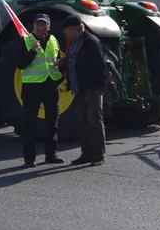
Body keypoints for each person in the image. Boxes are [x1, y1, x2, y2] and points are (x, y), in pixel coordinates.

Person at [15, 14, 65, 167]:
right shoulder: (25, 40)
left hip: (50, 86)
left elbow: (53, 60)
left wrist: (59, 64)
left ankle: (51, 154)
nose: (41, 27)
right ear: (33, 26)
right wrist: (32, 51)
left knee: (52, 123)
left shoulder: (53, 40)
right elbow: (20, 64)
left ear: (48, 27)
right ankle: (29, 158)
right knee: (29, 124)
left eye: (44, 25)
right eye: (38, 24)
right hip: (32, 87)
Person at [62, 15, 107, 166]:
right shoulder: (72, 43)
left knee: (94, 121)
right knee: (83, 122)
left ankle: (98, 155)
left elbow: (100, 68)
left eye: (66, 30)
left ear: (74, 29)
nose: (64, 33)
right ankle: (86, 153)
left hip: (91, 90)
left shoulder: (90, 42)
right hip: (78, 88)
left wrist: (94, 89)